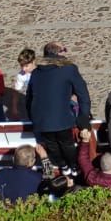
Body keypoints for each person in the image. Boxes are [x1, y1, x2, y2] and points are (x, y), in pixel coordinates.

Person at [26, 42, 90, 171]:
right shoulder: (69, 69)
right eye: (64, 50)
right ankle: (73, 167)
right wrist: (83, 120)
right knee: (67, 144)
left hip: (41, 120)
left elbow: (29, 98)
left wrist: (33, 118)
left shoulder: (36, 72)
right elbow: (83, 95)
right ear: (59, 53)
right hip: (62, 118)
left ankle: (63, 166)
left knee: (52, 145)